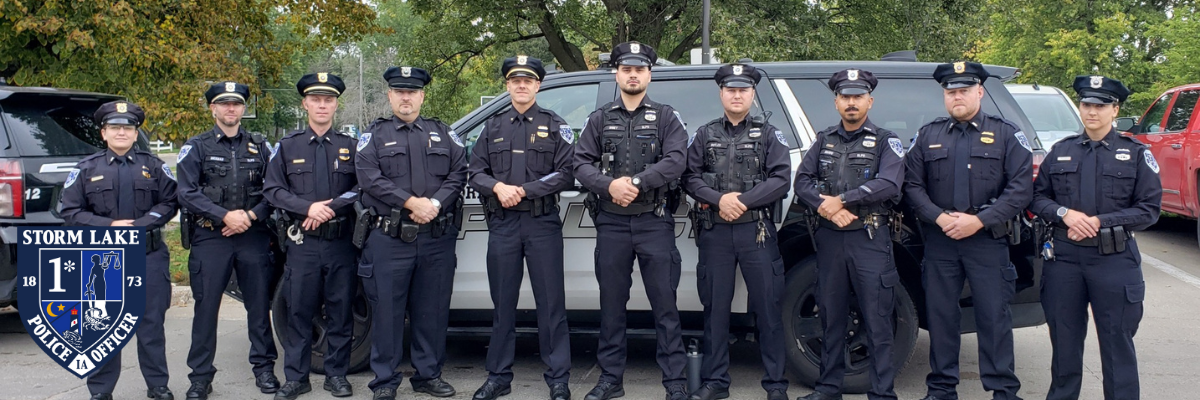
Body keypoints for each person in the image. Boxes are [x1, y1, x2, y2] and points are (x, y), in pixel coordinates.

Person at [903, 61, 1032, 400]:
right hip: (940, 240)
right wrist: (939, 217)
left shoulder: (1006, 133)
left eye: (963, 90)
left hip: (987, 240)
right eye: (951, 91)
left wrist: (980, 220)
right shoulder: (928, 135)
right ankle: (942, 388)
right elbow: (912, 186)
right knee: (942, 318)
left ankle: (1003, 389)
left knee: (994, 317)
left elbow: (1020, 189)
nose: (956, 96)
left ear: (980, 92)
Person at [1030, 75, 1160, 400]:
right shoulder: (1061, 151)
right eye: (1087, 104)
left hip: (1114, 260)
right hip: (1065, 260)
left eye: (1100, 106)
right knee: (1064, 346)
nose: (1092, 112)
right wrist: (1065, 215)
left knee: (1118, 347)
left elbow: (1149, 209)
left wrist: (1099, 221)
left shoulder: (1134, 153)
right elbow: (1036, 197)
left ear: (1115, 110)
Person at [573, 41, 690, 400]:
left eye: (640, 69)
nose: (633, 74)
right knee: (611, 305)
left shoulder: (667, 117)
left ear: (649, 74)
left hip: (654, 221)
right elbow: (579, 163)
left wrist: (636, 183)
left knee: (665, 306)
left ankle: (674, 383)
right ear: (617, 74)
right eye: (627, 69)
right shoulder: (599, 119)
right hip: (611, 222)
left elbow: (676, 160)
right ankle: (610, 379)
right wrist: (609, 185)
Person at [355, 66, 467, 400]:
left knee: (431, 311)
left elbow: (459, 172)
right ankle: (385, 382)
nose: (406, 97)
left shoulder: (443, 133)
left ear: (422, 96)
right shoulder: (373, 135)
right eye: (400, 92)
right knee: (388, 312)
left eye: (412, 92)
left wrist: (434, 202)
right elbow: (368, 177)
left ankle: (428, 375)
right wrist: (409, 202)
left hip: (435, 237)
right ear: (390, 96)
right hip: (389, 239)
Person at [682, 63, 792, 400]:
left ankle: (775, 384)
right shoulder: (705, 134)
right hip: (715, 233)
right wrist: (718, 200)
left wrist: (740, 201)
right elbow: (689, 176)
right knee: (715, 309)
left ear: (752, 94)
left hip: (756, 232)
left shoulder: (770, 134)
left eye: (743, 89)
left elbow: (781, 180)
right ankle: (717, 382)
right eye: (731, 89)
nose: (737, 94)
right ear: (722, 93)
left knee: (769, 309)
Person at [467, 55, 574, 400]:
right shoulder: (493, 128)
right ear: (508, 85)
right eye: (515, 80)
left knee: (551, 305)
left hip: (542, 223)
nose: (522, 85)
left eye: (528, 80)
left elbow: (566, 172)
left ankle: (558, 379)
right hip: (503, 225)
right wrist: (498, 188)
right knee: (503, 306)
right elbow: (476, 172)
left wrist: (526, 190)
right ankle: (498, 376)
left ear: (538, 85)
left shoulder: (556, 125)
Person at [794, 69, 904, 400]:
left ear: (869, 100)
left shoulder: (886, 141)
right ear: (836, 101)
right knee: (830, 315)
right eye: (845, 97)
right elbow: (801, 182)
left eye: (858, 97)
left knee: (878, 318)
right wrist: (826, 208)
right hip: (830, 239)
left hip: (869, 238)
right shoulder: (824, 139)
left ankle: (883, 393)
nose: (851, 103)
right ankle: (828, 388)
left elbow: (889, 183)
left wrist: (842, 200)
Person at [60, 100, 178, 400]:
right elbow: (70, 211)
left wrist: (140, 225)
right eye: (115, 127)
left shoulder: (154, 166)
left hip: (147, 255)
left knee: (151, 325)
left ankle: (158, 385)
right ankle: (101, 391)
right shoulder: (86, 169)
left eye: (127, 127)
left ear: (136, 132)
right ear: (103, 133)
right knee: (101, 323)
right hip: (103, 259)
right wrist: (108, 226)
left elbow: (169, 202)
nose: (121, 132)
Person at [177, 81, 277, 400]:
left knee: (259, 307)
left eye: (236, 104)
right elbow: (187, 192)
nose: (231, 109)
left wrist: (247, 217)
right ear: (213, 109)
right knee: (206, 310)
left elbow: (274, 191)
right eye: (224, 104)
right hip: (211, 237)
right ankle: (200, 377)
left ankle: (263, 369)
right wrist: (225, 216)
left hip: (253, 236)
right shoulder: (197, 147)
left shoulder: (261, 146)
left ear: (243, 109)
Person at [263, 72, 359, 400]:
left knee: (340, 310)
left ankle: (336, 375)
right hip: (303, 243)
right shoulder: (287, 147)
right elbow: (272, 189)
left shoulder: (351, 146)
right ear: (305, 103)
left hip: (341, 242)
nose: (322, 105)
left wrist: (330, 207)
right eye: (316, 99)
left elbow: (362, 188)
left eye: (328, 99)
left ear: (335, 105)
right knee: (299, 312)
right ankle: (296, 377)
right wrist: (307, 208)